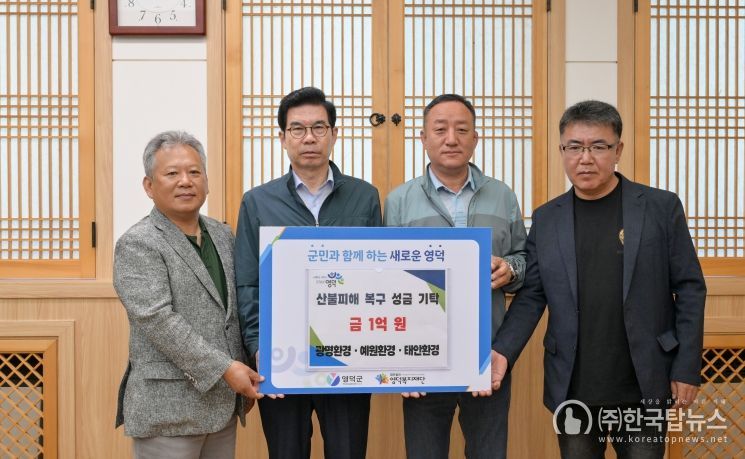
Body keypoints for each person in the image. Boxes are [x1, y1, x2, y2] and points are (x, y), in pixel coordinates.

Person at [492, 100, 706, 458]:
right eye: (574, 147)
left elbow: (690, 288)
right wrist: (503, 351)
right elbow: (532, 296)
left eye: (598, 147)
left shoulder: (660, 207)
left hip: (643, 383)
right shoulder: (547, 218)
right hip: (574, 386)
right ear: (562, 151)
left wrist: (687, 367)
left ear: (618, 150)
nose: (585, 158)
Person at [234, 87, 382, 459]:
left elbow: (378, 276)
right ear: (283, 138)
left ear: (334, 134)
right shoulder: (257, 201)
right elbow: (248, 283)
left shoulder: (365, 196)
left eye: (319, 127)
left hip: (348, 356)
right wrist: (257, 346)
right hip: (281, 356)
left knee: (348, 451)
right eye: (297, 129)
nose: (309, 138)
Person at [384, 93, 527, 459]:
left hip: (488, 351)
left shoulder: (502, 195)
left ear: (475, 139)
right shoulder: (400, 200)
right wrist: (398, 361)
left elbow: (524, 260)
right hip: (422, 355)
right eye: (440, 129)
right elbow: (385, 280)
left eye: (462, 130)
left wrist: (511, 268)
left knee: (488, 451)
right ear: (423, 138)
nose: (451, 139)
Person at [114, 131, 263, 458]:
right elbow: (159, 322)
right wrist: (227, 369)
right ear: (149, 186)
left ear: (206, 182)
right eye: (172, 173)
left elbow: (235, 311)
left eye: (195, 172)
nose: (185, 181)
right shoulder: (138, 243)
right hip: (169, 410)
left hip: (223, 405)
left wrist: (247, 362)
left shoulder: (222, 234)